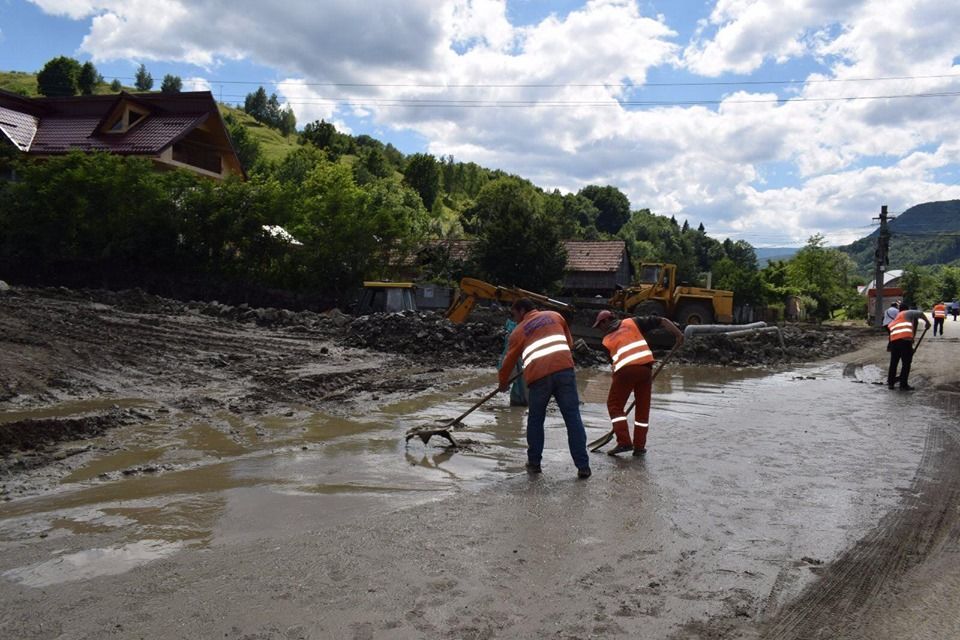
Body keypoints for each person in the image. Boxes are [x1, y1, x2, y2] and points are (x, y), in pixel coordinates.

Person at [498, 298, 591, 479]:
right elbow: (568, 343)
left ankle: (534, 464)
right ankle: (583, 466)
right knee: (573, 418)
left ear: (522, 310)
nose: (514, 318)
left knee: (535, 419)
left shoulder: (518, 332)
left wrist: (503, 382)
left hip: (539, 378)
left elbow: (508, 361)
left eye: (514, 314)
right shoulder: (555, 316)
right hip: (564, 371)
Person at [593, 310, 684, 456]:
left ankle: (623, 442)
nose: (599, 329)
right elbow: (662, 319)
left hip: (625, 372)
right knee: (642, 408)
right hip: (645, 370)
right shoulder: (632, 322)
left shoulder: (606, 341)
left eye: (599, 325)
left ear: (606, 321)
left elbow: (614, 365)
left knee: (614, 405)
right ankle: (639, 446)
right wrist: (678, 334)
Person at [887, 305, 931, 391]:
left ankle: (891, 383)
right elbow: (920, 313)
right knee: (906, 363)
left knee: (894, 363)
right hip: (904, 341)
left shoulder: (896, 318)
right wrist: (927, 322)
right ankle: (903, 385)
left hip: (894, 341)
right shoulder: (907, 312)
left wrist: (911, 341)